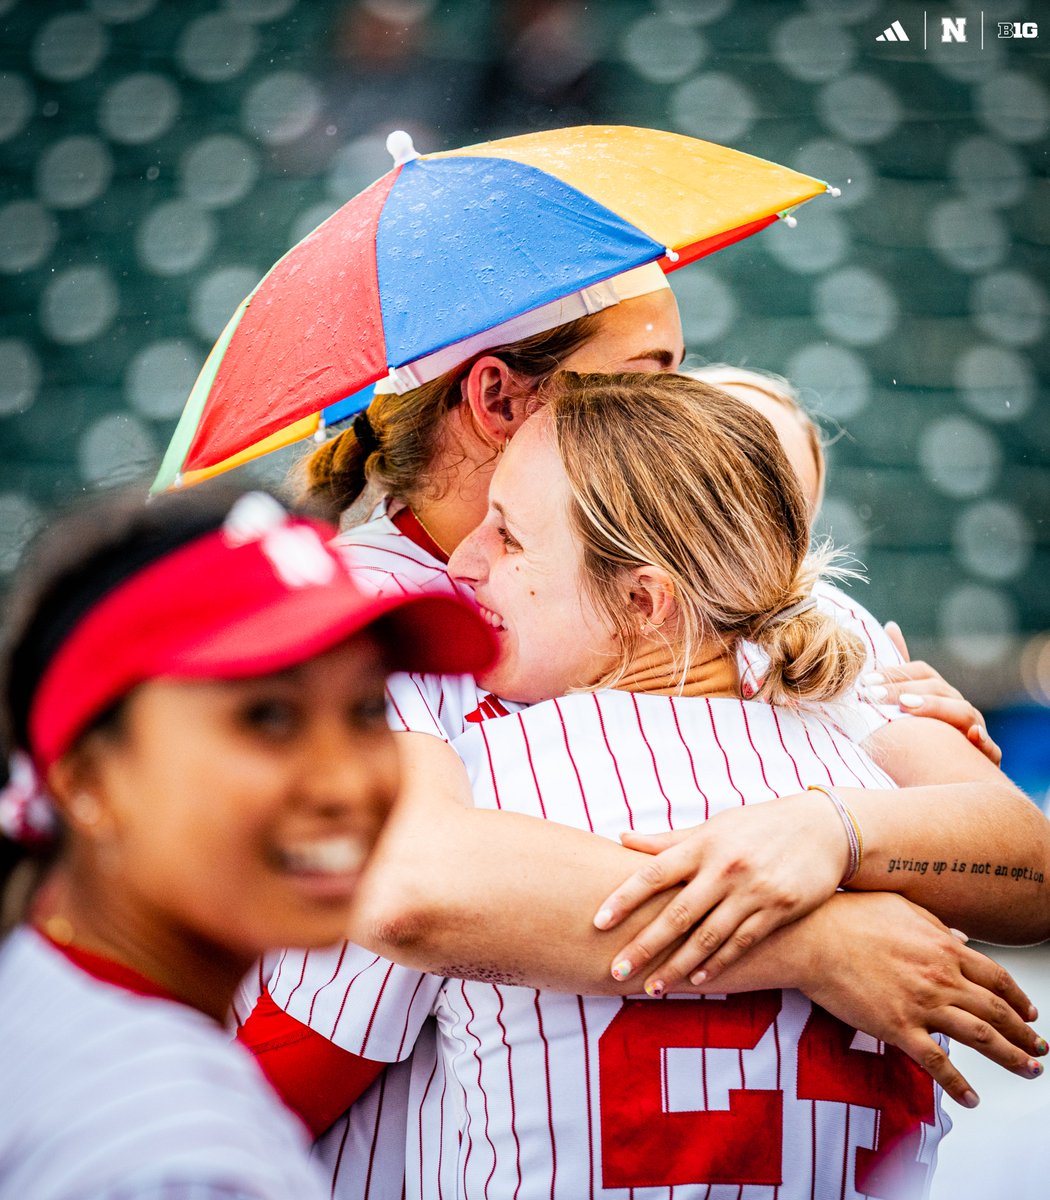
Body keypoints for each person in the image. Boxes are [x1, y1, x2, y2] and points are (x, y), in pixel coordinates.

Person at [239, 271, 1048, 1193]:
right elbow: (413, 894)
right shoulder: (344, 609)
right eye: (650, 368)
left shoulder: (780, 600)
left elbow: (1033, 868)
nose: (679, 398)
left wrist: (833, 830)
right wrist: (814, 940)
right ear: (499, 397)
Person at [0, 483, 493, 1199]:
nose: (347, 784)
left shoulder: (44, 1001)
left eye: (364, 710)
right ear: (86, 782)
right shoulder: (180, 1162)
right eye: (267, 717)